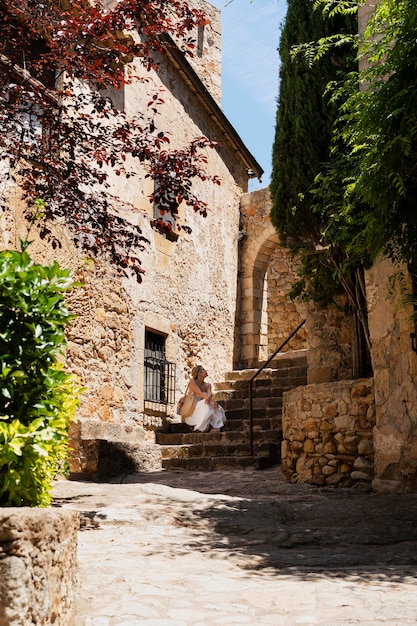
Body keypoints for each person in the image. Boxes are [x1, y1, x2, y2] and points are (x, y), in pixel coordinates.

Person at [183, 365, 227, 432]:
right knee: (206, 405)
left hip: (204, 403)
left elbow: (209, 394)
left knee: (217, 407)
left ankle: (215, 427)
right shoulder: (192, 382)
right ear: (198, 373)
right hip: (193, 407)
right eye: (203, 370)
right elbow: (199, 393)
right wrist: (210, 401)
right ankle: (202, 428)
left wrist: (211, 401)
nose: (206, 371)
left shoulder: (208, 385)